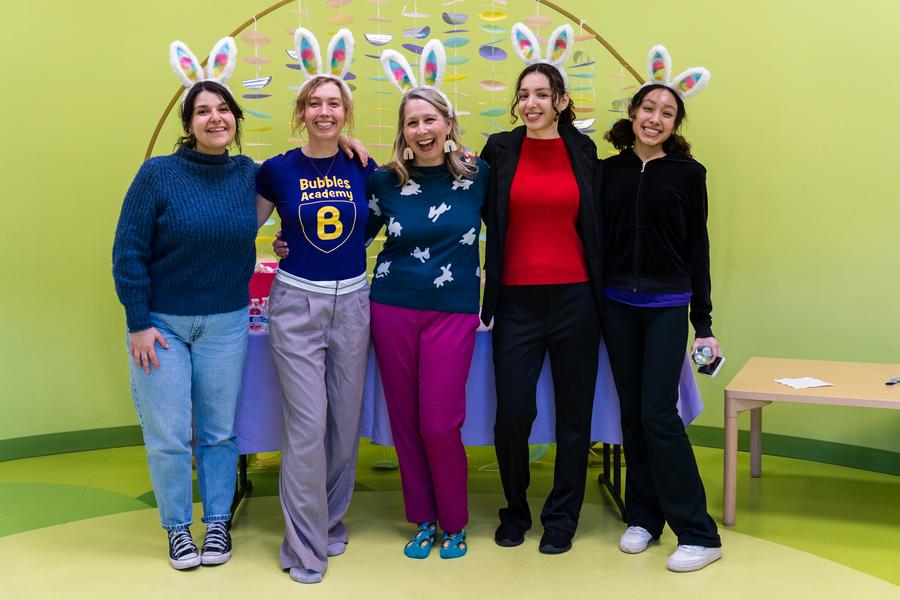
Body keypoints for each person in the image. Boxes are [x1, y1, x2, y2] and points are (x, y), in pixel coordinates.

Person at [112, 37, 256, 570]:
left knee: (219, 432)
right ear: (188, 122)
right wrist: (138, 322)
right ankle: (178, 527)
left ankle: (216, 521)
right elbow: (127, 252)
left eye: (223, 110)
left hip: (227, 323)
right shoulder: (158, 175)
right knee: (171, 435)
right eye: (203, 111)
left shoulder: (249, 175)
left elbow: (298, 186)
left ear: (235, 120)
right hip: (162, 326)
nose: (214, 118)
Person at [254, 28, 376, 585]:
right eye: (314, 103)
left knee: (343, 427)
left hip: (353, 302)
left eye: (334, 103)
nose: (324, 111)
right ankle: (303, 547)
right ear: (301, 112)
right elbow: (243, 228)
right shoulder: (276, 170)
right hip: (296, 304)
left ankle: (327, 519)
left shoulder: (363, 166)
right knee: (308, 427)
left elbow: (382, 219)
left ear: (345, 114)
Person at [480, 23, 604, 555]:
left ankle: (562, 517)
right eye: (523, 95)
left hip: (577, 299)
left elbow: (601, 221)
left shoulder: (584, 150)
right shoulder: (500, 150)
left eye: (540, 95)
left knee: (576, 415)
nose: (530, 103)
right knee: (513, 413)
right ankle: (515, 510)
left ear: (561, 101)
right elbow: (459, 196)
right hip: (516, 302)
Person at [600, 45, 722, 572]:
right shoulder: (608, 172)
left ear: (675, 124)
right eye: (648, 109)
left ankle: (699, 532)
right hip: (615, 304)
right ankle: (644, 518)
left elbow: (699, 248)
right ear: (633, 115)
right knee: (633, 413)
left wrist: (705, 324)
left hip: (668, 304)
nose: (655, 118)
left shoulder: (689, 174)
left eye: (667, 113)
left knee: (657, 412)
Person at [366, 40, 489, 560]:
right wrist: (289, 243)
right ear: (403, 132)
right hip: (391, 307)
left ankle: (454, 521)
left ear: (448, 123)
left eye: (430, 119)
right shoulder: (385, 181)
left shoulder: (480, 176)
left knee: (439, 421)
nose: (422, 130)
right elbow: (350, 235)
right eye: (412, 122)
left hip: (453, 312)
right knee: (406, 421)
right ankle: (423, 518)